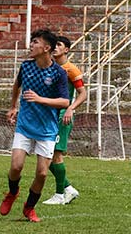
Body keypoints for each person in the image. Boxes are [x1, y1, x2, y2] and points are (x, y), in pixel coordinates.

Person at [0, 29, 70, 222]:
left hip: (47, 130)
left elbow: (65, 102)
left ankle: (29, 207)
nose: (31, 45)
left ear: (46, 48)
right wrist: (13, 106)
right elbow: (17, 85)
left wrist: (40, 99)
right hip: (25, 125)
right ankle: (12, 193)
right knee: (16, 167)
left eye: (35, 42)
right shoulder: (26, 66)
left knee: (42, 173)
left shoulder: (58, 73)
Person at [43, 35, 87, 205]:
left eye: (59, 45)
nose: (55, 47)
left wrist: (70, 108)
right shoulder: (50, 68)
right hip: (49, 115)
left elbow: (83, 94)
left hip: (63, 116)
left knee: (55, 154)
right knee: (43, 153)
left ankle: (60, 194)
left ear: (66, 49)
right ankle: (68, 189)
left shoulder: (71, 69)